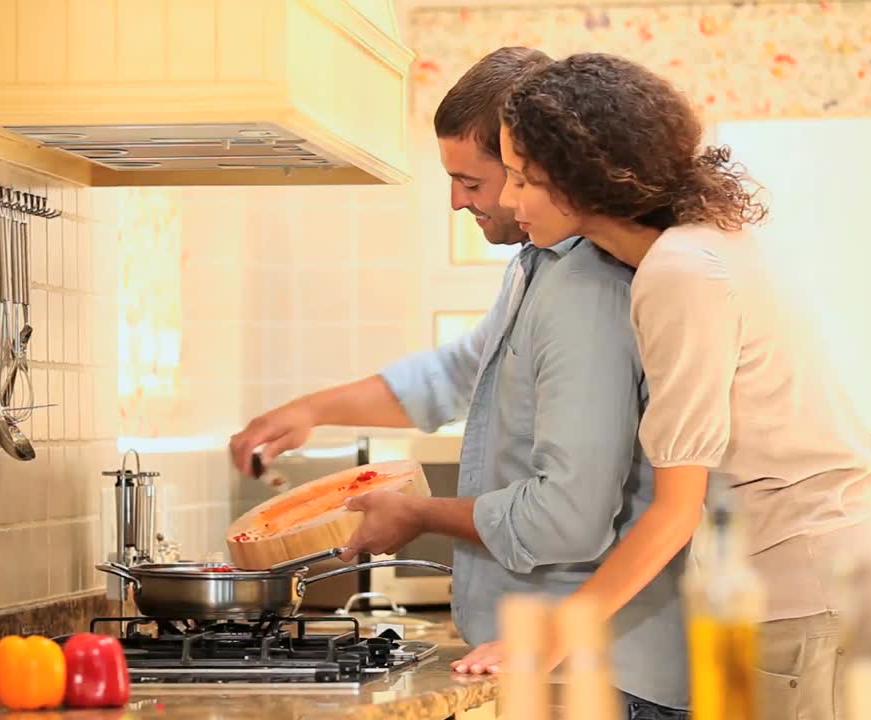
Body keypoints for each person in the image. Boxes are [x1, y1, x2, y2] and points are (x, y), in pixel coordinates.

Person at [229, 48, 691, 718]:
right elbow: (454, 374)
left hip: (606, 676)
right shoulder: (537, 269)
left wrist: (419, 515)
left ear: (535, 165)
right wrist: (311, 410)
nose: (456, 201)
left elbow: (568, 517)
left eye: (472, 181)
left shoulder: (587, 291)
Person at [496, 52, 871, 720]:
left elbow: (675, 510)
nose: (506, 199)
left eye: (522, 179)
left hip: (807, 597)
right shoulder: (709, 242)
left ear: (581, 178)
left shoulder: (681, 272)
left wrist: (547, 643)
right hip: (838, 583)